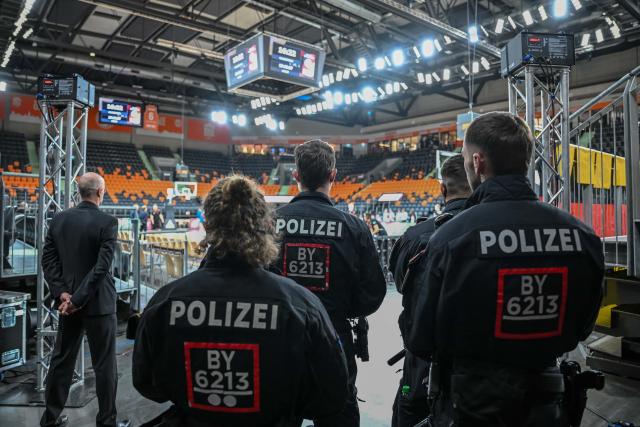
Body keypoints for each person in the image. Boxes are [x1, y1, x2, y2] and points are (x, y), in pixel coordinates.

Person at [407, 112, 604, 427]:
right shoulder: (582, 236)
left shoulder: (451, 238)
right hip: (549, 400)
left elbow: (420, 338)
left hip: (471, 405)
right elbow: (583, 328)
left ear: (478, 162)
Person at [132, 176, 349, 427]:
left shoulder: (165, 302)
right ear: (266, 225)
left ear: (209, 225)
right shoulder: (301, 305)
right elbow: (331, 396)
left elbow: (147, 384)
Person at [273, 140, 387, 427]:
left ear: (296, 176)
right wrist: (338, 307)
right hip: (334, 338)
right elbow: (373, 293)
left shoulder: (270, 223)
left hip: (279, 339)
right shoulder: (354, 227)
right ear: (333, 175)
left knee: (280, 409)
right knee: (339, 410)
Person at [40, 173, 129, 427]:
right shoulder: (108, 222)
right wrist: (77, 298)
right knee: (104, 365)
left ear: (79, 192)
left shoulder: (59, 219)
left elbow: (48, 260)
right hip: (98, 304)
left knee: (61, 361)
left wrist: (62, 294)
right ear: (100, 192)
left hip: (67, 304)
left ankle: (50, 419)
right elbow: (101, 268)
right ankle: (106, 422)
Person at [389, 154, 471, 427]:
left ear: (443, 189)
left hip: (421, 360)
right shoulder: (488, 231)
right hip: (477, 364)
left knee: (408, 410)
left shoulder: (415, 235)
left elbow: (401, 284)